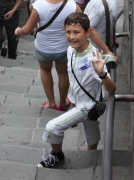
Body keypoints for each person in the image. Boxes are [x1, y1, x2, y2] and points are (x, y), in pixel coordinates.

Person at [37, 12, 116, 168]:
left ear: (87, 33)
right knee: (92, 132)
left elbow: (112, 89)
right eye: (68, 32)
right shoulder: (70, 50)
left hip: (87, 106)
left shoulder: (94, 59)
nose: (71, 37)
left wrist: (102, 74)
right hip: (77, 101)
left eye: (76, 32)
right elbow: (73, 77)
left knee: (52, 128)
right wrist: (72, 99)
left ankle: (57, 156)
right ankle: (91, 159)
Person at [15, 0, 79, 111]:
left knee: (45, 70)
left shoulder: (38, 6)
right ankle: (63, 103)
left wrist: (18, 30)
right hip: (64, 48)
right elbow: (84, 23)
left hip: (43, 48)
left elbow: (27, 30)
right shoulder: (73, 5)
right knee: (63, 73)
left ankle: (51, 103)